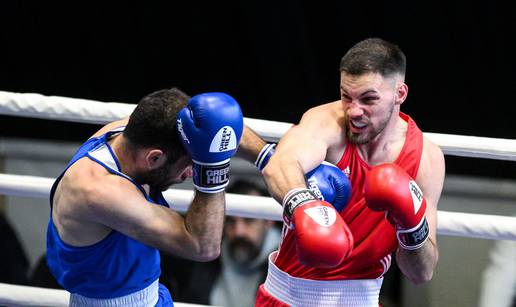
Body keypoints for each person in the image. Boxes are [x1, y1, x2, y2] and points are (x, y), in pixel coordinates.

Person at [241, 38, 446, 306]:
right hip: (286, 296)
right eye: (346, 96)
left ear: (400, 94)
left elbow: (421, 272)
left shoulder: (425, 160)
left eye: (368, 99)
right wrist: (306, 208)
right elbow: (281, 164)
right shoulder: (327, 122)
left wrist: (411, 224)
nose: (354, 111)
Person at [46, 88, 247, 306]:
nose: (190, 173)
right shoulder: (100, 191)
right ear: (154, 158)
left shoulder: (128, 133)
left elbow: (215, 128)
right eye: (189, 164)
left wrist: (266, 156)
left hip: (151, 295)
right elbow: (203, 247)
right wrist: (212, 167)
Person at [160, 179, 280, 307]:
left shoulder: (287, 265)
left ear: (269, 222)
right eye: (230, 221)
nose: (238, 232)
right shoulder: (204, 257)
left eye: (249, 220)